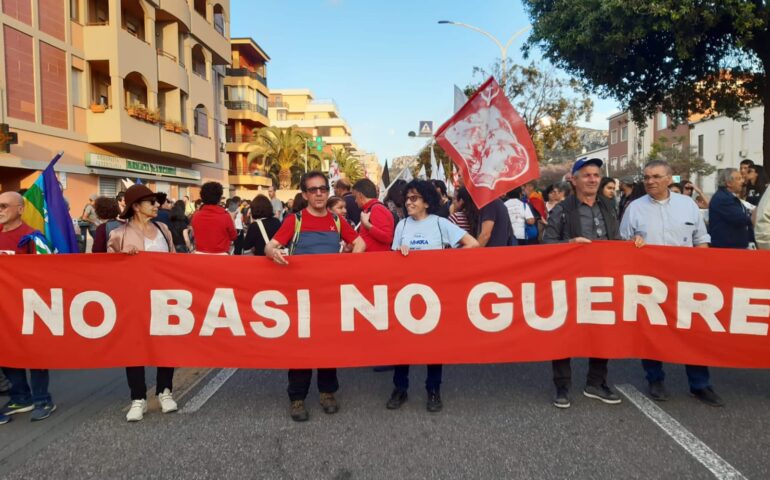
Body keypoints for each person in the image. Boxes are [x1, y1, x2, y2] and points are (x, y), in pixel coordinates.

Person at [620, 159, 724, 407]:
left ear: (669, 179)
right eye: (646, 177)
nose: (650, 181)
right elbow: (622, 242)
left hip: (686, 281)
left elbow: (701, 239)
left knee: (693, 332)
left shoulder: (687, 206)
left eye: (656, 177)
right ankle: (655, 379)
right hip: (649, 282)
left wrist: (705, 270)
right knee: (652, 331)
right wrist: (633, 243)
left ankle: (700, 384)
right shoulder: (635, 208)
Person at [265, 171, 366, 422]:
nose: (319, 193)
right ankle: (297, 398)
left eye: (323, 189)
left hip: (329, 297)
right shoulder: (294, 220)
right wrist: (272, 253)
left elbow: (360, 243)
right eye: (313, 190)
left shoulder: (337, 220)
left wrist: (348, 264)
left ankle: (327, 393)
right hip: (300, 298)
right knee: (300, 349)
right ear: (305, 195)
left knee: (328, 347)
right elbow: (271, 245)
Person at [542, 158, 629, 409]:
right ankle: (562, 386)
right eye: (587, 175)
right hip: (570, 280)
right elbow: (546, 244)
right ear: (575, 179)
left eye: (596, 175)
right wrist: (568, 246)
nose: (592, 179)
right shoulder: (563, 209)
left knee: (602, 330)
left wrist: (631, 245)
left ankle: (596, 382)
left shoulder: (609, 205)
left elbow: (615, 238)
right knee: (564, 331)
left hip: (603, 278)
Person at [387, 180, 479, 413]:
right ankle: (400, 388)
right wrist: (399, 255)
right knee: (401, 343)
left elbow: (473, 244)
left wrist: (447, 260)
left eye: (414, 198)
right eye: (407, 198)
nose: (409, 202)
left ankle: (433, 389)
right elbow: (391, 259)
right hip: (405, 294)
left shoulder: (440, 224)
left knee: (434, 344)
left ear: (426, 201)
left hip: (435, 295)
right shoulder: (402, 225)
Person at [107, 184, 177, 421]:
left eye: (157, 202)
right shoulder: (118, 235)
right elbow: (105, 268)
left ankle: (165, 390)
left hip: (164, 297)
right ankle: (138, 398)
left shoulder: (163, 229)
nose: (157, 206)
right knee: (134, 346)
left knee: (167, 344)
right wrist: (121, 257)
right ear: (136, 206)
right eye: (151, 202)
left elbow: (175, 261)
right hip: (133, 300)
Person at [0, 191, 56, 423]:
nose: (0, 210)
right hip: (3, 310)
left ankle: (43, 399)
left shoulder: (33, 237)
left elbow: (47, 273)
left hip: (28, 307)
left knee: (33, 354)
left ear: (20, 209)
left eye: (4, 206)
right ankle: (21, 397)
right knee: (5, 353)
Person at [708, 168, 753, 249]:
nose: (742, 181)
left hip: (734, 246)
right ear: (729, 183)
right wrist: (756, 213)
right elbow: (741, 219)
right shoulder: (723, 199)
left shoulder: (729, 197)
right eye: (738, 179)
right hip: (727, 249)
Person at [190, 182, 236, 255]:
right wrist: (232, 218)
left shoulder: (196, 216)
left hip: (200, 255)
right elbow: (233, 236)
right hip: (221, 256)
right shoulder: (225, 216)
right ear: (219, 198)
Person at [353, 178, 395, 252]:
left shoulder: (376, 208)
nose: (355, 201)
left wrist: (368, 225)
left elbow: (388, 238)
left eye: (355, 197)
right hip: (371, 260)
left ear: (360, 195)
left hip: (376, 260)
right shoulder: (371, 208)